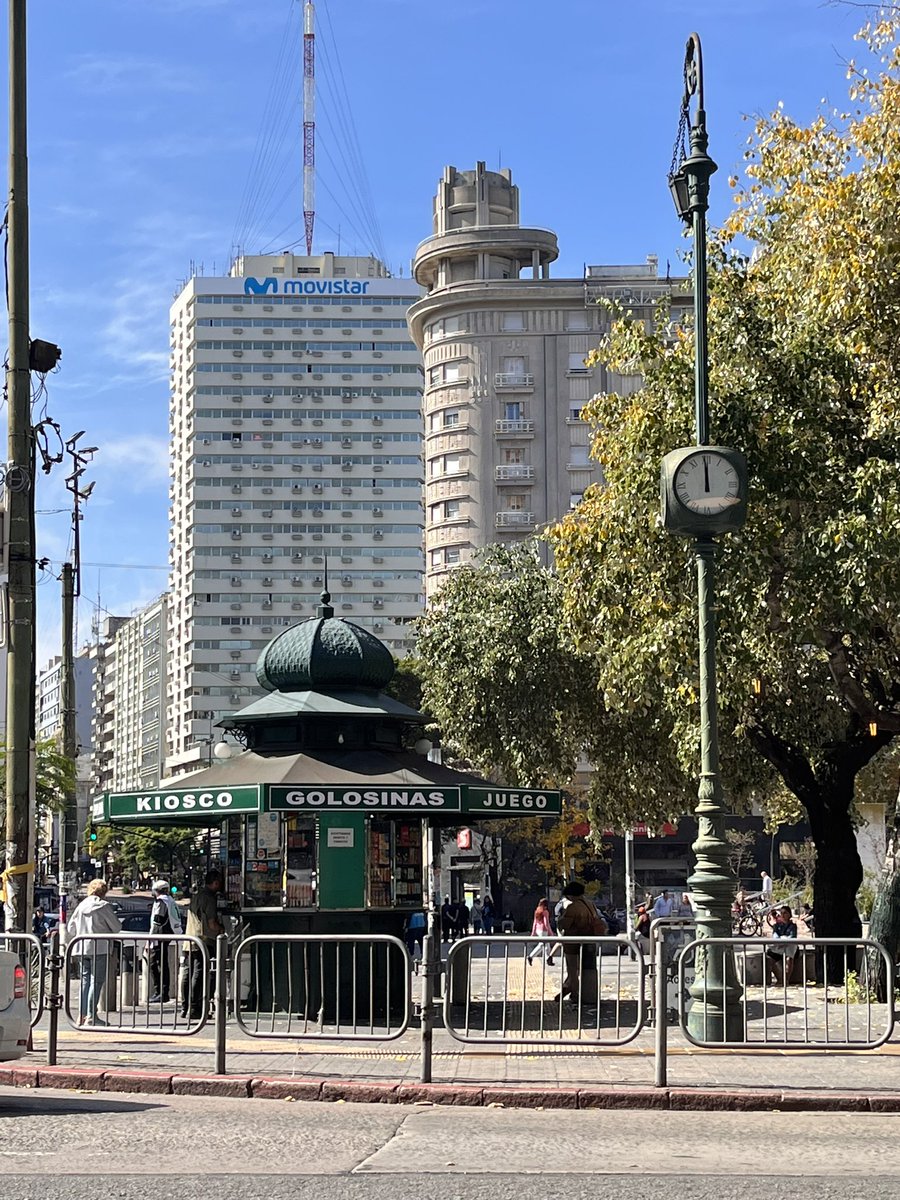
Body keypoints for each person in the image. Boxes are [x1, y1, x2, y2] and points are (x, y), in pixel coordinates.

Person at [67, 878, 121, 1026]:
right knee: (96, 982)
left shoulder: (81, 906)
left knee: (85, 981)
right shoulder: (104, 906)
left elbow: (71, 929)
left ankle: (82, 1015)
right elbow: (116, 927)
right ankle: (92, 1016)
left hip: (81, 947)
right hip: (100, 947)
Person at [182, 869, 224, 1020]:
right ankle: (195, 1008)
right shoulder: (209, 898)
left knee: (188, 973)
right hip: (203, 939)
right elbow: (212, 924)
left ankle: (185, 1007)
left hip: (190, 938)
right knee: (199, 974)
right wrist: (221, 929)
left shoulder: (196, 895)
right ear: (216, 883)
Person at [556, 882, 605, 1008]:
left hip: (573, 941)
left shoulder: (573, 907)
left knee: (572, 970)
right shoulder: (590, 904)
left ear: (571, 894)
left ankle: (574, 993)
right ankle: (567, 988)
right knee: (581, 969)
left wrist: (560, 919)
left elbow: (565, 924)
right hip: (588, 939)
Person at [148, 879, 183, 1004]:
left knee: (157, 964)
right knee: (160, 964)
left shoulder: (161, 902)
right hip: (168, 934)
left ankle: (162, 992)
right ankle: (161, 992)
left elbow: (157, 921)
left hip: (160, 936)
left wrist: (150, 939)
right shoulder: (170, 901)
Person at [766, 904, 798, 985]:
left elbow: (792, 937)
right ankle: (780, 979)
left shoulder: (793, 926)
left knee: (789, 958)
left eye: (785, 913)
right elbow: (775, 937)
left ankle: (786, 979)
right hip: (779, 947)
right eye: (781, 913)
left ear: (789, 915)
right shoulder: (776, 926)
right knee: (769, 959)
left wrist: (782, 940)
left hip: (789, 947)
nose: (783, 915)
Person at [526, 898, 555, 966]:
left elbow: (535, 922)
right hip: (543, 930)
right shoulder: (545, 912)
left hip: (538, 930)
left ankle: (548, 959)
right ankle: (531, 956)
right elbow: (546, 923)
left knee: (546, 945)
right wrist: (551, 932)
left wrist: (533, 932)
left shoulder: (537, 911)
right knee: (542, 944)